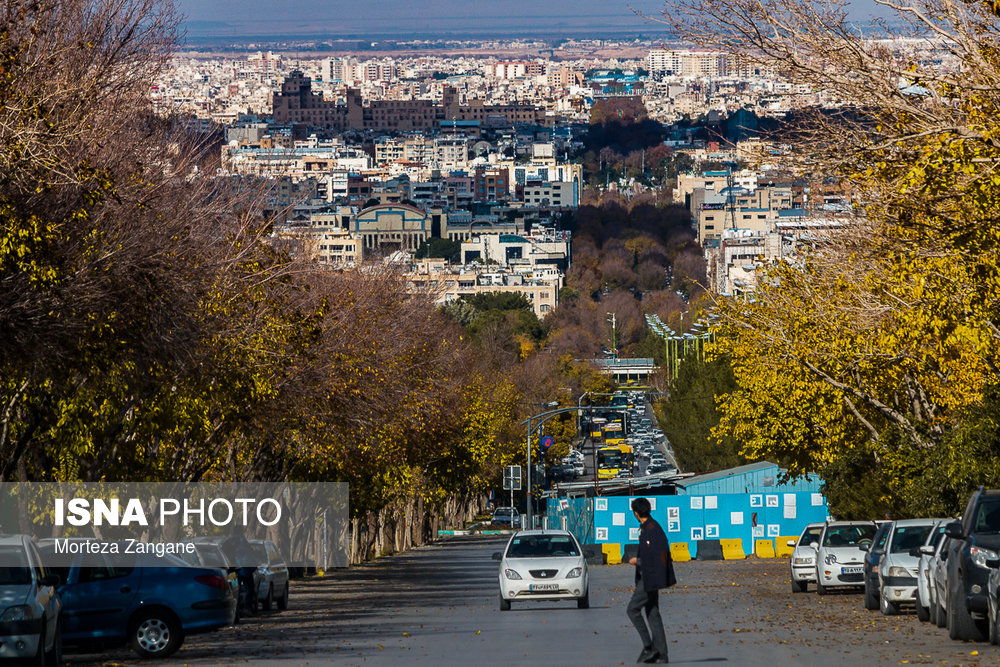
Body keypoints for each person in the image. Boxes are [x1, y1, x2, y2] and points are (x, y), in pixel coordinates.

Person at [626, 497, 675, 664]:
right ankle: (662, 654)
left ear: (636, 513)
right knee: (652, 613)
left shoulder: (651, 529)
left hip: (650, 579)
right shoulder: (648, 528)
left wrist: (637, 562)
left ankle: (649, 647)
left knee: (632, 610)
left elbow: (655, 557)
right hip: (649, 577)